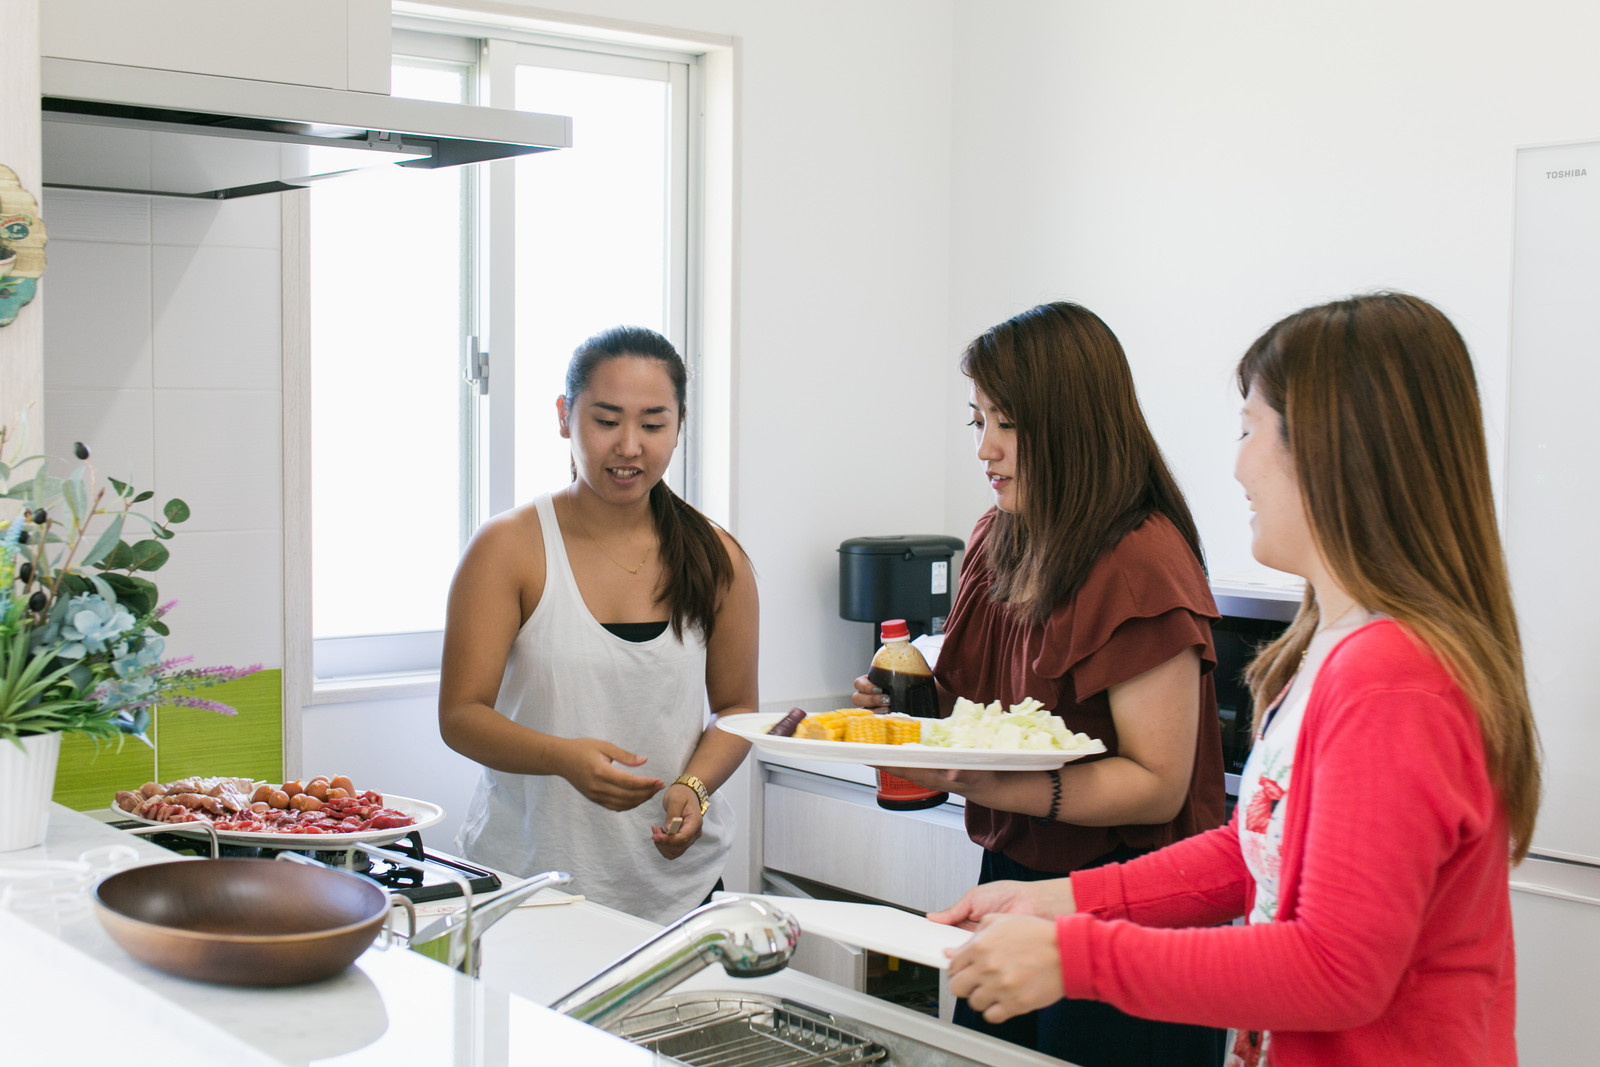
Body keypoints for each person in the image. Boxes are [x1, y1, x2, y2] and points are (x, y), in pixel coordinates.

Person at [935, 292, 1540, 1067]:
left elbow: (1336, 969)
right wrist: (1060, 902)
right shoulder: (1339, 645)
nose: (1236, 462)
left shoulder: (1393, 678)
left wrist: (1078, 958)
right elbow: (1250, 851)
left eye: (1249, 428)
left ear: (1334, 452)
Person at [855, 301, 1227, 1066]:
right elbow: (981, 712)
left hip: (1130, 902)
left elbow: (1158, 785)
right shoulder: (1000, 537)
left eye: (1008, 423)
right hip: (1014, 873)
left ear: (1074, 426)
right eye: (978, 420)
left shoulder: (1140, 560)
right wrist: (907, 709)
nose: (986, 449)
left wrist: (974, 776)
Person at [439, 325, 758, 926]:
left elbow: (739, 707)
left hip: (676, 887)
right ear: (565, 416)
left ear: (680, 425)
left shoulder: (718, 557)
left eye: (654, 424)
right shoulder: (508, 548)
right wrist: (561, 757)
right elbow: (461, 716)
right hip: (526, 879)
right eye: (606, 420)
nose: (630, 446)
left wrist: (695, 786)